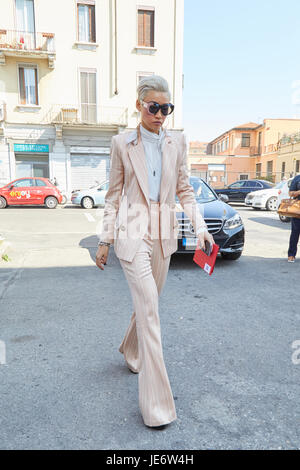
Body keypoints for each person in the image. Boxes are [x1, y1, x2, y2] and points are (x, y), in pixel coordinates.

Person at [95, 75, 214, 428]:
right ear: (139, 106)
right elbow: (113, 196)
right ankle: (157, 408)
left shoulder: (177, 142)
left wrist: (201, 227)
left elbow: (185, 191)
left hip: (164, 236)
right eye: (154, 107)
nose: (160, 114)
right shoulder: (121, 143)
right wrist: (105, 240)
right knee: (150, 314)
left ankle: (131, 351)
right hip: (132, 236)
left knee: (148, 305)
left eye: (166, 108)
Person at [288, 173, 300, 262]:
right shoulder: (297, 178)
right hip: (297, 209)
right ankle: (291, 254)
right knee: (295, 233)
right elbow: (290, 193)